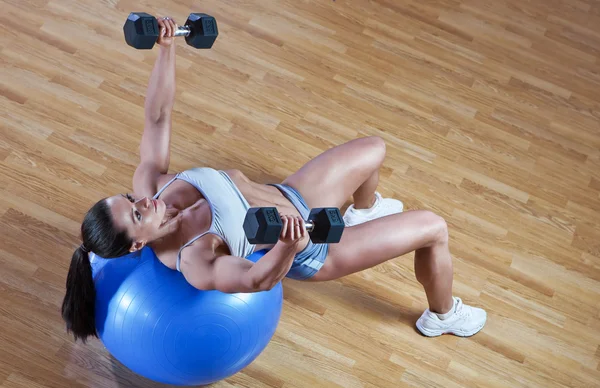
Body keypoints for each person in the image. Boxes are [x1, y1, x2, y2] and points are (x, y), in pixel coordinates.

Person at [61, 16, 486, 343]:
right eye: (137, 213)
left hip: (291, 193)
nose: (143, 201)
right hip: (313, 245)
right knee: (433, 227)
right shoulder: (193, 259)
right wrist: (289, 245)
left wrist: (167, 49)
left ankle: (363, 211)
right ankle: (443, 315)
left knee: (374, 148)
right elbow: (255, 280)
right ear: (137, 243)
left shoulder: (153, 184)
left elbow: (156, 118)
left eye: (129, 198)